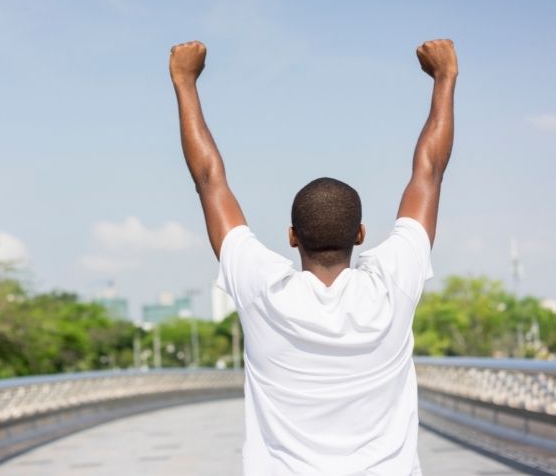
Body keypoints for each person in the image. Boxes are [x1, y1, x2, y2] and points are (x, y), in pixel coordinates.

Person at [169, 39, 457, 476]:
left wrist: (184, 81)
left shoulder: (263, 290)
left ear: (291, 237)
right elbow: (429, 172)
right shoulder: (391, 286)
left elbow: (209, 180)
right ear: (360, 235)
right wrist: (445, 78)